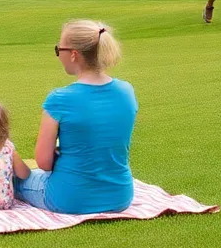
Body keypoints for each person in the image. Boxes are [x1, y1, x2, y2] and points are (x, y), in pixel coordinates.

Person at [14, 20, 137, 214]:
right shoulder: (126, 91)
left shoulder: (59, 99)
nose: (58, 55)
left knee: (14, 178)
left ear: (73, 54)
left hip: (69, 198)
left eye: (58, 50)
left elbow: (44, 162)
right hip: (120, 196)